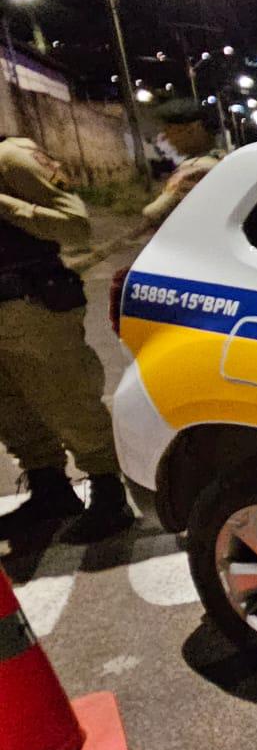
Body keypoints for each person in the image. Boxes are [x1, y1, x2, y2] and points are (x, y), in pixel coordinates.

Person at [0, 134, 133, 548]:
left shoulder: (11, 158)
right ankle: (50, 491)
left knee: (68, 401)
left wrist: (5, 204)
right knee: (11, 412)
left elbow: (75, 227)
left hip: (30, 305)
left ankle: (109, 494)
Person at [141, 99, 224, 232]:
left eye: (170, 129)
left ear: (194, 128)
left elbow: (154, 212)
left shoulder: (195, 168)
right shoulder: (223, 159)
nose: (166, 137)